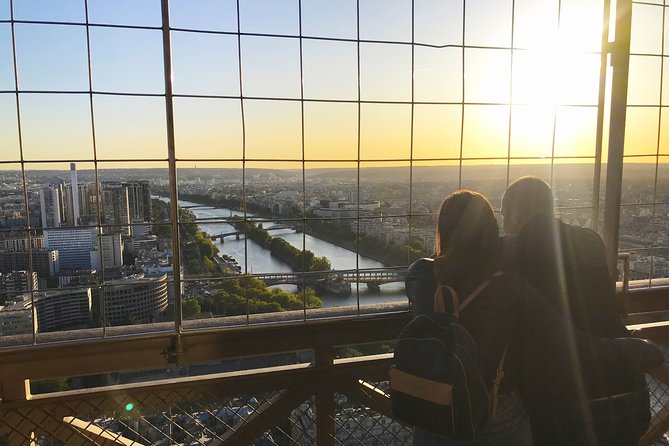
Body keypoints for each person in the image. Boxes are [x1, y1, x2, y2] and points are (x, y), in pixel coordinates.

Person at [406, 190, 662, 446]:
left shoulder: (422, 274)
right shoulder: (509, 286)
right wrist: (639, 349)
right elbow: (574, 344)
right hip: (494, 412)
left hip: (437, 408)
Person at [501, 176, 651, 445]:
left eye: (504, 217)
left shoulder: (513, 251)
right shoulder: (590, 241)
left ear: (514, 214)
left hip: (561, 401)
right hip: (624, 388)